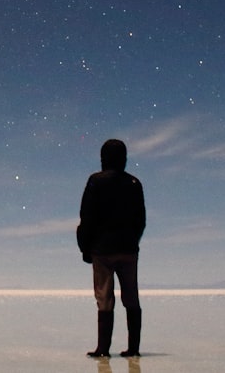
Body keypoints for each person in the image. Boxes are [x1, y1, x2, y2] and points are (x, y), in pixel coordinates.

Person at [77, 138, 145, 358]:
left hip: (102, 250)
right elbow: (140, 220)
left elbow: (87, 217)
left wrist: (85, 247)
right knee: (131, 297)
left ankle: (103, 349)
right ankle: (133, 348)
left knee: (104, 299)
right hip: (127, 249)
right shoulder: (134, 183)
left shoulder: (96, 182)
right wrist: (133, 241)